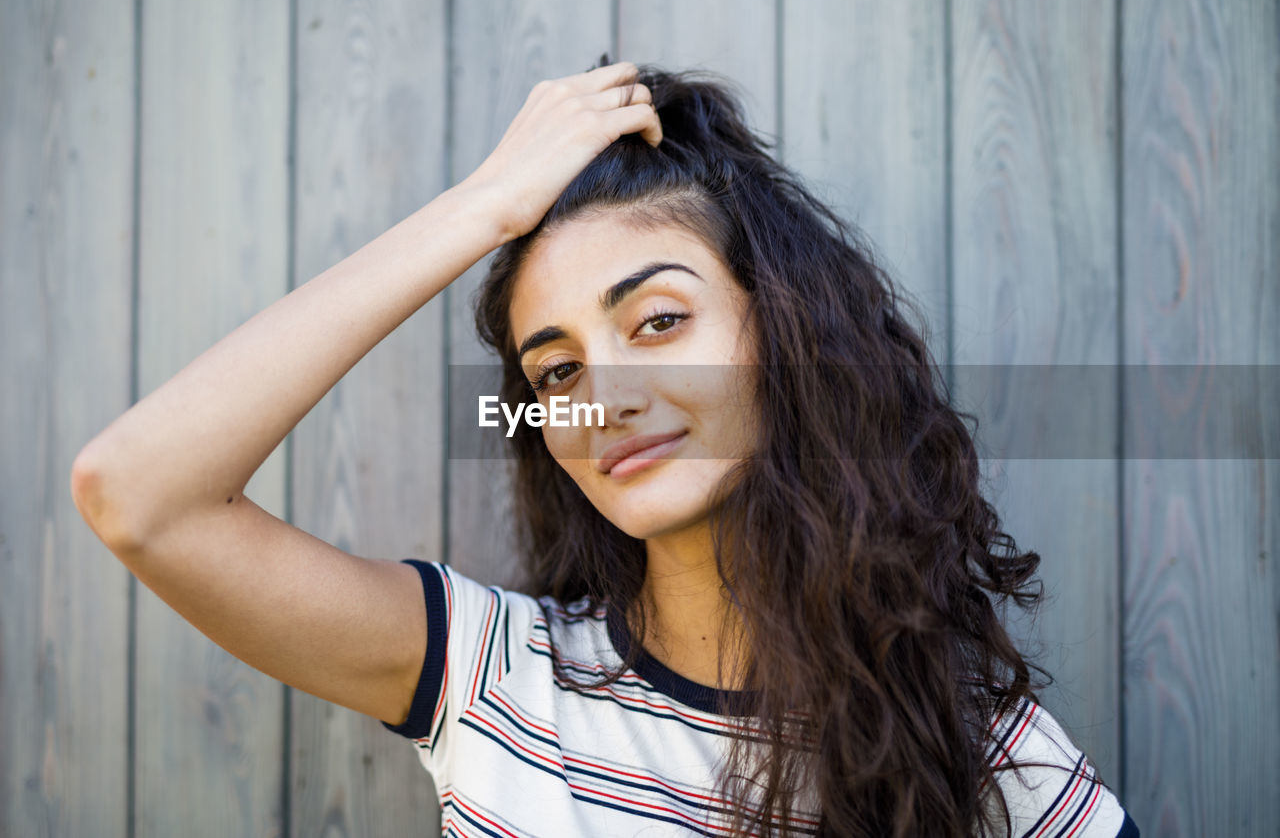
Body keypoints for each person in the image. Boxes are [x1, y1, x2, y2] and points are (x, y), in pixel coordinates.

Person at [70, 60, 1139, 837]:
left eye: (659, 321)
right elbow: (137, 491)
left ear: (784, 334)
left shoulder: (976, 745)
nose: (606, 397)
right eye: (557, 370)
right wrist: (483, 210)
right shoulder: (493, 681)